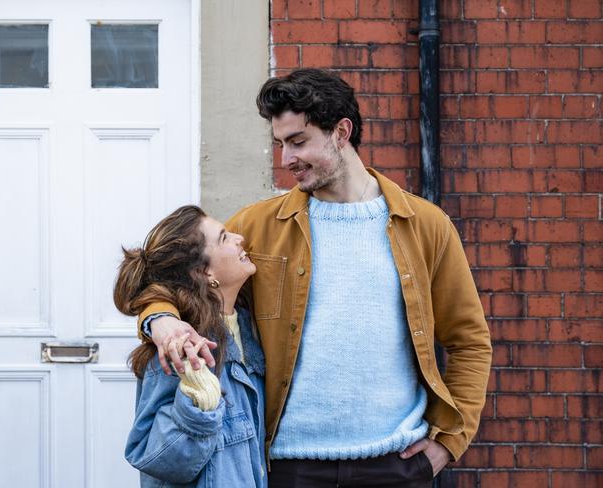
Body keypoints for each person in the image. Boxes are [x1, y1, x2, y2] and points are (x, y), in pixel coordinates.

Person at [138, 69, 492, 487]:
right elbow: (169, 281)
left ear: (341, 132)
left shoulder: (426, 225)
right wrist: (160, 320)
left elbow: (469, 340)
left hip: (396, 465)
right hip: (289, 468)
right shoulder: (259, 225)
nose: (286, 159)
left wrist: (448, 443)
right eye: (281, 143)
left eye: (299, 141)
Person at [114, 205, 267, 488]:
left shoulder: (249, 326)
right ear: (203, 272)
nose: (240, 239)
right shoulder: (181, 349)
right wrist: (200, 405)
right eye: (224, 238)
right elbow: (158, 458)